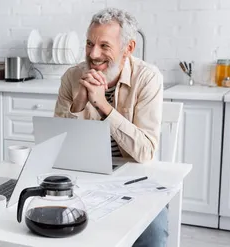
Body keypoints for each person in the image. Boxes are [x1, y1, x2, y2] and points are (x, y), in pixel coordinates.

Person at [53, 8, 166, 247]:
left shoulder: (147, 78)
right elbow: (57, 148)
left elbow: (145, 151)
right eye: (89, 43)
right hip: (83, 179)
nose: (93, 54)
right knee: (50, 221)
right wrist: (81, 101)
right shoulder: (71, 78)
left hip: (135, 179)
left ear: (129, 48)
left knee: (152, 234)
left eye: (105, 46)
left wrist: (103, 106)